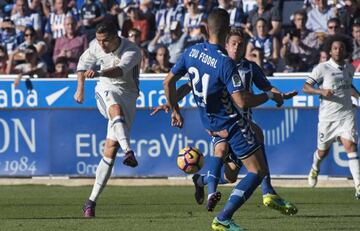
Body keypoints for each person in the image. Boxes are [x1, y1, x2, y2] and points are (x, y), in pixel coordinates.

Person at [154, 28, 298, 216]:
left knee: (231, 176)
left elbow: (267, 86)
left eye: (241, 44)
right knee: (224, 149)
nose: (237, 47)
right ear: (226, 45)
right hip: (222, 123)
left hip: (242, 126)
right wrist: (171, 103)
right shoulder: (218, 64)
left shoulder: (250, 67)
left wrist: (279, 94)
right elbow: (188, 86)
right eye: (234, 44)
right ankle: (262, 192)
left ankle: (201, 181)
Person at [74, 21, 141, 218]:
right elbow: (82, 65)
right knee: (114, 107)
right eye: (99, 40)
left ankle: (90, 202)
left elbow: (120, 70)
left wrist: (99, 71)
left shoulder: (132, 50)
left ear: (115, 37)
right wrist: (80, 88)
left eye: (106, 41)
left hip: (128, 95)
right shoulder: (95, 45)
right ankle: (129, 151)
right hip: (104, 88)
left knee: (110, 149)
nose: (101, 45)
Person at [303, 35, 360, 199]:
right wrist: (321, 91)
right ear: (330, 50)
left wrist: (358, 97)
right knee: (322, 152)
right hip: (328, 118)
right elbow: (306, 87)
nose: (338, 50)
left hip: (347, 113)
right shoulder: (322, 68)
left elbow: (349, 87)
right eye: (335, 48)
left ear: (346, 50)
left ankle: (358, 186)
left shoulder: (350, 68)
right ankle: (315, 167)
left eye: (341, 47)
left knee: (351, 146)